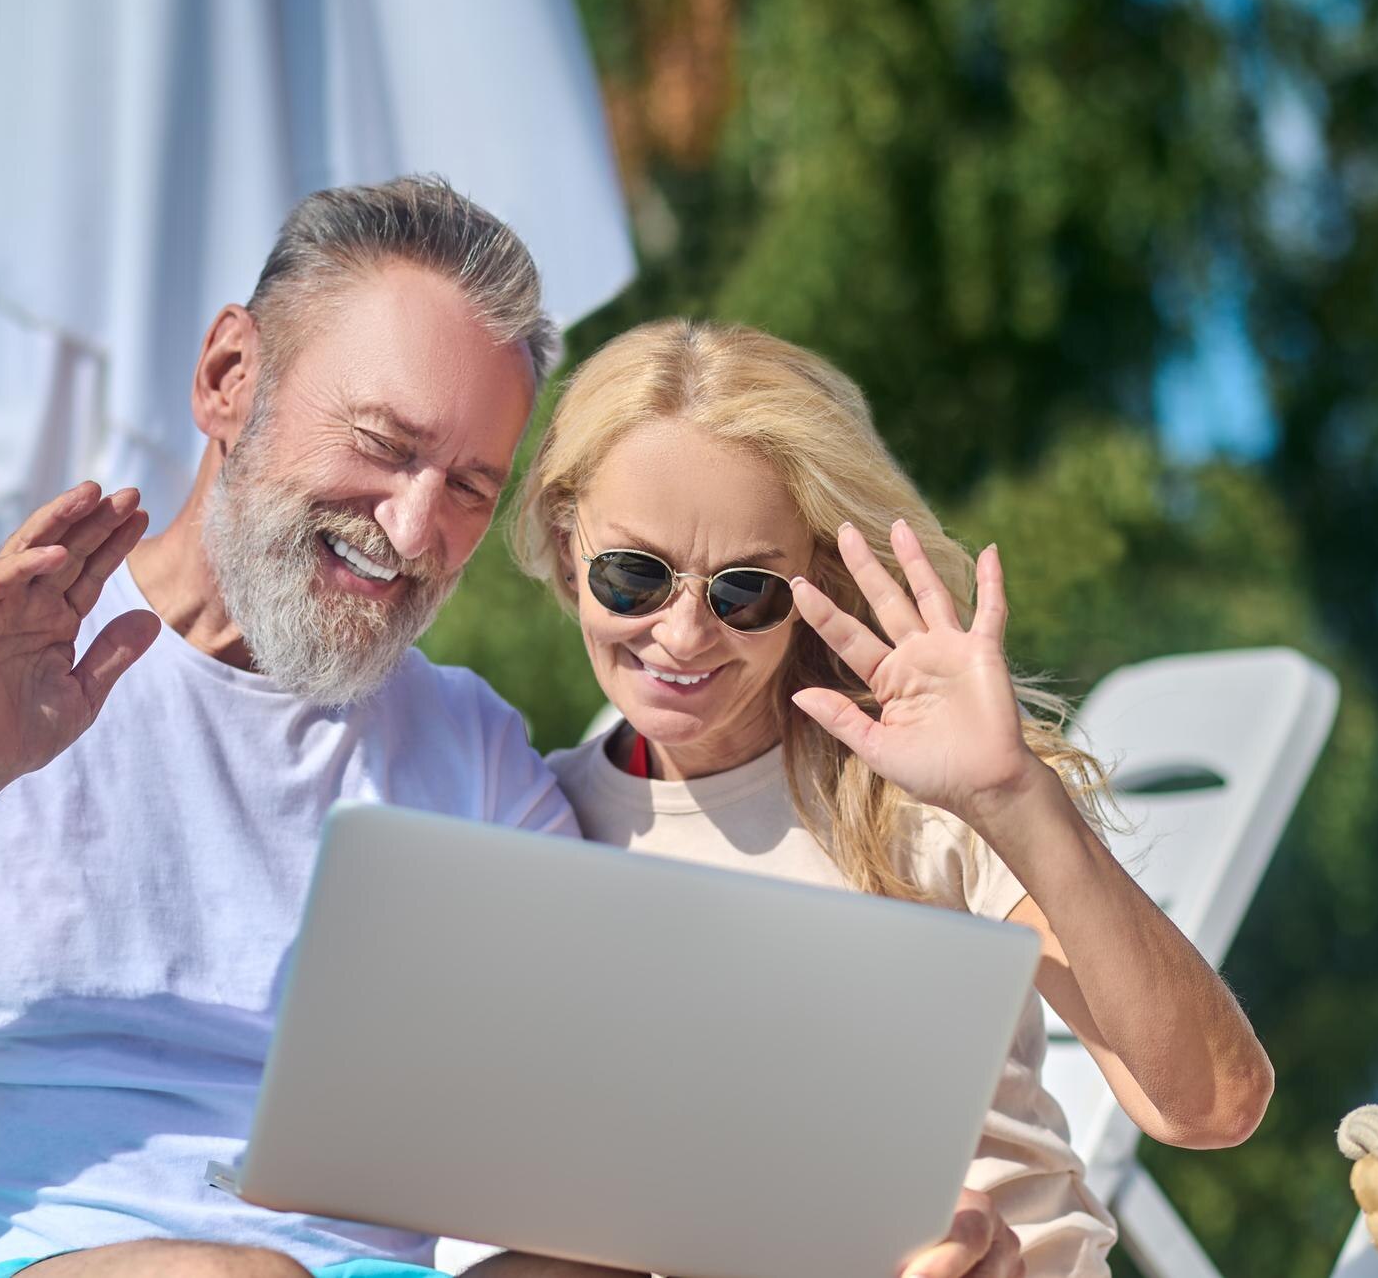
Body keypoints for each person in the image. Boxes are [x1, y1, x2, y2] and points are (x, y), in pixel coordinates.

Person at [0, 179, 1021, 1278]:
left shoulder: (465, 752)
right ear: (227, 380)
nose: (413, 529)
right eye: (385, 447)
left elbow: (633, 1151)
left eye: (468, 483)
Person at [514, 319, 1278, 1278]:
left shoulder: (912, 793)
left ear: (814, 582)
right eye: (633, 575)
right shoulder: (535, 826)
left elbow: (1211, 1102)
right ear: (562, 532)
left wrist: (1015, 797)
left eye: (745, 591)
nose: (683, 634)